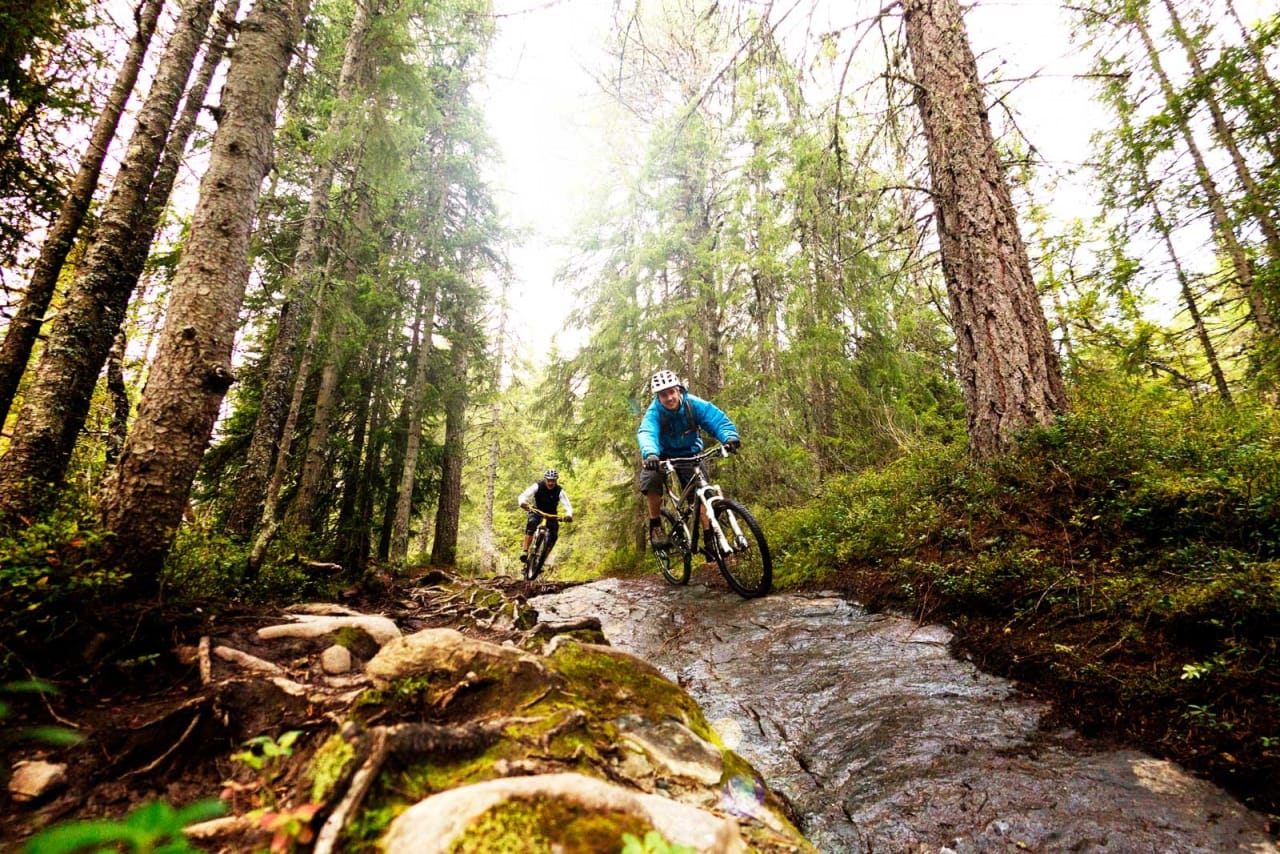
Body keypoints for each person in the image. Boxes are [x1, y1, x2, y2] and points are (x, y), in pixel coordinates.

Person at [636, 369, 740, 555]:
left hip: (690, 454)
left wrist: (729, 437)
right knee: (651, 478)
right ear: (658, 397)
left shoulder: (694, 405)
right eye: (663, 394)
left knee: (702, 496)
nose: (669, 398)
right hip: (661, 455)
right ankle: (656, 525)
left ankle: (710, 539)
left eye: (671, 392)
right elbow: (647, 432)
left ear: (678, 389)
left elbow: (716, 420)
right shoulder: (654, 413)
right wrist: (651, 454)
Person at [518, 468, 573, 564]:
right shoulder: (537, 486)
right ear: (545, 479)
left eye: (553, 481)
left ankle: (543, 559)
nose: (551, 483)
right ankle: (525, 551)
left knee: (554, 535)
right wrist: (523, 503)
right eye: (549, 480)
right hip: (537, 511)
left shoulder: (559, 491)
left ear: (556, 481)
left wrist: (568, 515)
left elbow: (567, 505)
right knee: (531, 524)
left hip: (552, 515)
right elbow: (523, 496)